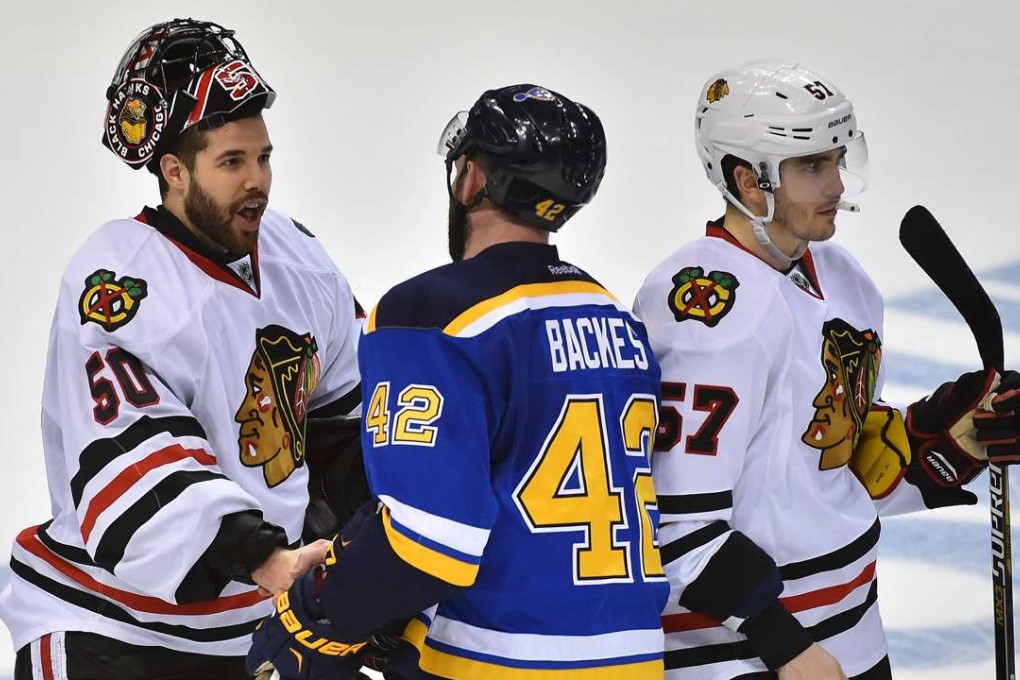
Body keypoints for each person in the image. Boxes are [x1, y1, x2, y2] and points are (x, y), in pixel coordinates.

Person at [246, 83, 671, 680]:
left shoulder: (431, 314)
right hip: (632, 656)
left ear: (470, 179)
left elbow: (429, 541)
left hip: (495, 659)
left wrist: (312, 617)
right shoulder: (617, 319)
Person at [0, 18, 367, 679]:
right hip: (109, 628)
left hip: (263, 617)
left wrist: (370, 547)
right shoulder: (120, 283)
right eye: (232, 162)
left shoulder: (301, 258)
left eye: (263, 157)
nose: (257, 180)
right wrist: (265, 557)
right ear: (173, 170)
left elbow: (341, 424)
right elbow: (136, 455)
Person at [633, 59, 1020, 680]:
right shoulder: (706, 310)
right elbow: (677, 519)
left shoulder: (843, 279)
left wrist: (951, 436)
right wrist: (783, 645)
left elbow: (831, 466)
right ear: (747, 179)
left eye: (837, 159)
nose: (836, 183)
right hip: (742, 655)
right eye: (812, 166)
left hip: (854, 628)